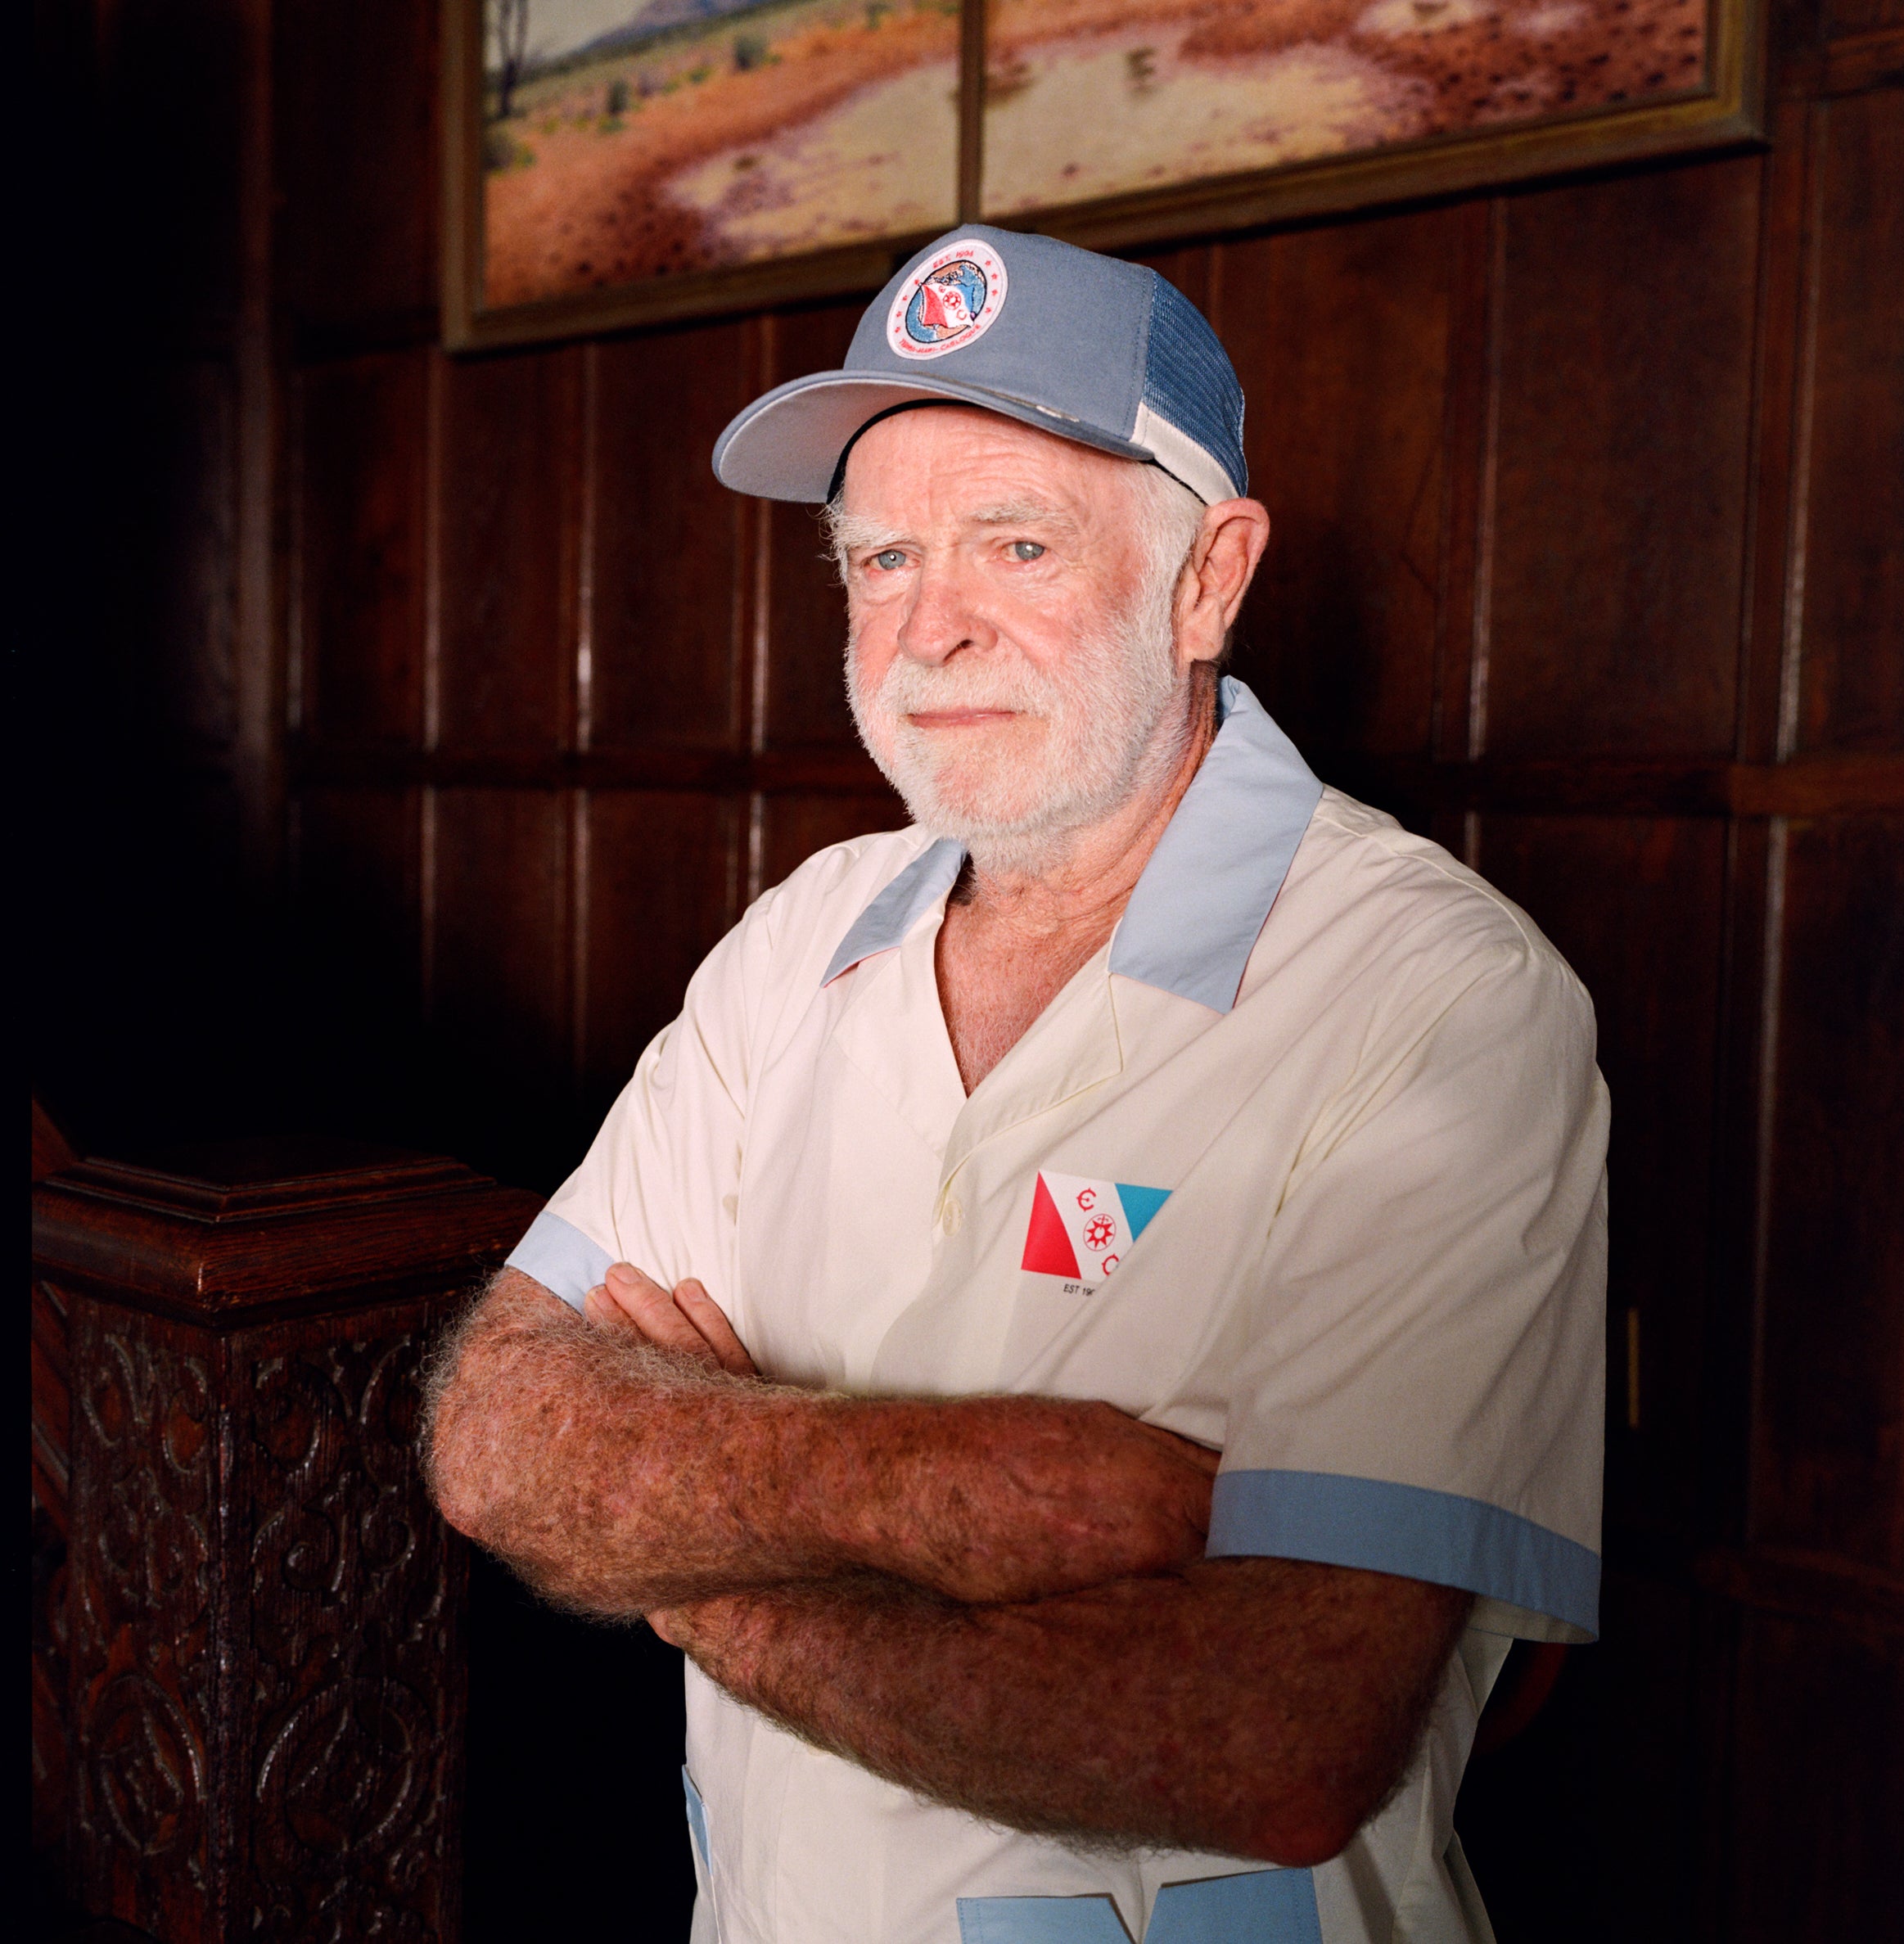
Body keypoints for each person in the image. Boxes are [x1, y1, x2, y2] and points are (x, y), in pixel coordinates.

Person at [424, 225, 1608, 1944]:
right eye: (882, 557)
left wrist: (712, 1570)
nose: (931, 631)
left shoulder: (1440, 998)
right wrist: (971, 1491)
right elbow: (497, 1433)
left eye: (1017, 544)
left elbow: (1269, 1733)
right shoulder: (799, 942)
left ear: (1210, 579)